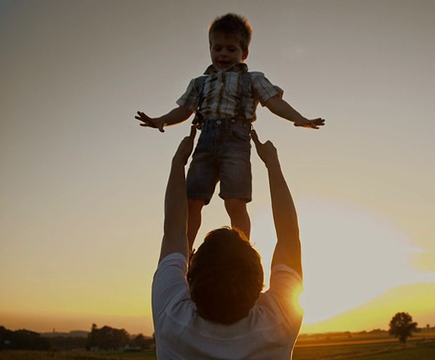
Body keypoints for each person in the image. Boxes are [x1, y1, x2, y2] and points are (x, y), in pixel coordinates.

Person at [136, 13, 324, 249]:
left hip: (236, 141)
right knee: (192, 201)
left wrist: (299, 118)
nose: (223, 54)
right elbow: (184, 111)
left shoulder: (253, 79)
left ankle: (240, 251)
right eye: (218, 48)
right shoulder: (200, 83)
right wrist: (160, 120)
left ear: (243, 53)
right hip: (205, 141)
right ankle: (184, 253)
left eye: (231, 49)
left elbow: (274, 102)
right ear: (210, 49)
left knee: (235, 202)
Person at [152, 127, 304, 359]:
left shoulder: (171, 316)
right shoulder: (279, 322)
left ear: (190, 276)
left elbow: (173, 231)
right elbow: (289, 238)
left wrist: (177, 164)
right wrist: (272, 163)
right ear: (259, 282)